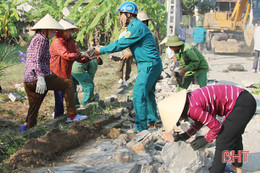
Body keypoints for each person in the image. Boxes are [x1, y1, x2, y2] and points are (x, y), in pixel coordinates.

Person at [90, 1, 162, 133]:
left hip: (149, 64)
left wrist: (102, 50)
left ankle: (141, 127)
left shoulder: (136, 27)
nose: (120, 17)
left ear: (128, 14)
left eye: (121, 14)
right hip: (151, 64)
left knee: (138, 93)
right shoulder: (135, 26)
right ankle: (152, 119)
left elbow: (120, 44)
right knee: (149, 92)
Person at [159, 84, 256, 173]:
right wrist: (186, 135)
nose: (181, 119)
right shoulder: (190, 100)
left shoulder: (192, 108)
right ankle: (236, 166)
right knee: (233, 135)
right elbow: (201, 119)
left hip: (242, 105)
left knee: (223, 140)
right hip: (243, 99)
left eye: (178, 118)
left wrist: (206, 139)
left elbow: (217, 127)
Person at [20, 14, 87, 132]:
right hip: (40, 76)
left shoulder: (41, 39)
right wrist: (40, 77)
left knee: (35, 105)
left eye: (54, 30)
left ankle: (27, 131)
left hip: (38, 77)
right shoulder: (43, 40)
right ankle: (71, 115)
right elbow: (36, 59)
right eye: (51, 29)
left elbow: (76, 54)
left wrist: (86, 56)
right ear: (44, 29)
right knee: (68, 84)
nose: (53, 32)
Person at [49, 19, 89, 117]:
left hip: (66, 73)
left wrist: (88, 57)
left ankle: (69, 116)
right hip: (56, 74)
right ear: (60, 31)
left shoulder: (70, 42)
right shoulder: (57, 41)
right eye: (66, 30)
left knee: (67, 95)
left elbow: (77, 55)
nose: (69, 33)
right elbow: (66, 55)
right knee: (59, 98)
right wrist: (80, 55)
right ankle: (59, 118)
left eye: (70, 30)